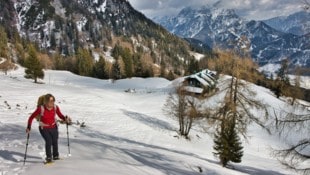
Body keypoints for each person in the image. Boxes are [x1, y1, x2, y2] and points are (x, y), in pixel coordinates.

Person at [26, 94, 70, 163]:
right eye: (50, 101)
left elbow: (60, 115)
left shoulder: (55, 107)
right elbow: (31, 117)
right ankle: (48, 158)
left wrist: (65, 118)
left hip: (54, 127)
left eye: (53, 100)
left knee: (55, 141)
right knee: (49, 141)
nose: (52, 102)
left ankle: (55, 156)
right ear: (46, 102)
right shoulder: (41, 108)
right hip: (44, 128)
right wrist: (29, 127)